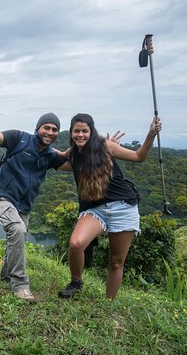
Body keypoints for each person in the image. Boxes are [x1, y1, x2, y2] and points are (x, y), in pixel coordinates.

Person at [57, 113, 162, 300]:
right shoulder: (73, 154)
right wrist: (36, 143)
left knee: (115, 261)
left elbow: (139, 156)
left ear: (91, 131)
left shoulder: (106, 146)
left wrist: (151, 134)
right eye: (76, 131)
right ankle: (76, 282)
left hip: (124, 207)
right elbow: (56, 157)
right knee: (76, 243)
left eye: (84, 131)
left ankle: (108, 302)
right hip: (95, 209)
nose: (80, 135)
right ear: (71, 133)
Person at [0, 108, 67, 303]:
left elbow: (73, 165)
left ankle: (6, 275)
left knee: (16, 239)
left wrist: (96, 151)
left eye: (55, 130)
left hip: (24, 207)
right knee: (17, 230)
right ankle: (20, 285)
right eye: (47, 127)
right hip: (0, 198)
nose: (51, 132)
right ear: (38, 128)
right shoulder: (18, 139)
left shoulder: (50, 156)